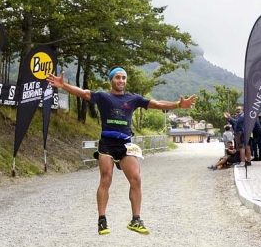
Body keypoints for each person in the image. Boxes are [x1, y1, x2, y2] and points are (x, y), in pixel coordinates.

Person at [46, 67, 197, 235]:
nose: (121, 81)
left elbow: (156, 104)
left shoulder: (133, 99)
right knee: (106, 179)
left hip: (126, 145)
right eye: (118, 77)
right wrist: (63, 85)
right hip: (107, 144)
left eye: (124, 78)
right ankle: (102, 220)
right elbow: (83, 93)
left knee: (136, 179)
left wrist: (178, 104)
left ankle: (136, 220)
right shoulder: (104, 97)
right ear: (111, 80)